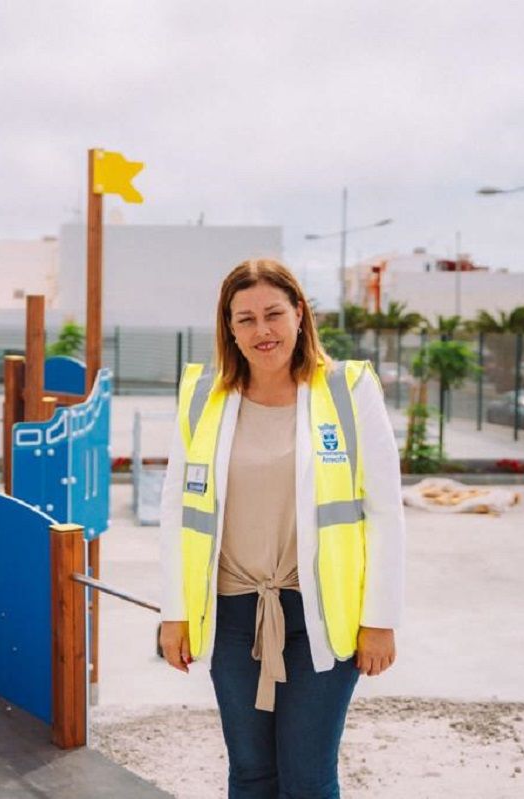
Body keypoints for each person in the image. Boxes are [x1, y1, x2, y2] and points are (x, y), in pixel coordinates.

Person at [158, 258, 405, 798]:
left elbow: (386, 512)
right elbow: (178, 513)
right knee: (249, 771)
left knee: (307, 776)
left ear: (299, 314)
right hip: (231, 616)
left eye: (273, 314)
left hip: (322, 616)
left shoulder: (348, 391)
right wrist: (173, 614)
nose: (262, 331)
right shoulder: (204, 397)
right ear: (228, 328)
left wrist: (380, 620)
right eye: (244, 319)